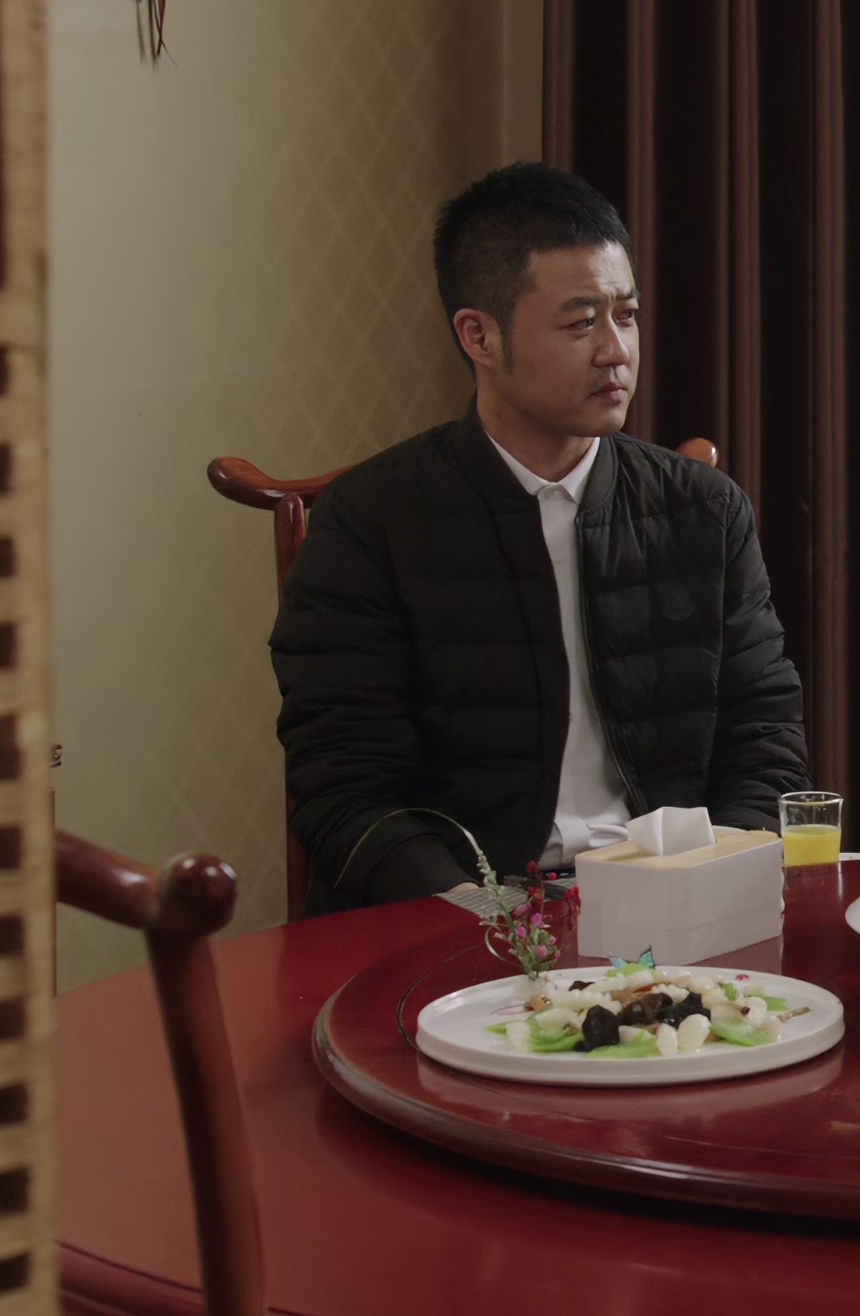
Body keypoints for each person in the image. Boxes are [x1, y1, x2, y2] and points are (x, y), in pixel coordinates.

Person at [271, 164, 808, 911]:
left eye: (627, 315)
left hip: (673, 901)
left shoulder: (703, 511)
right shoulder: (371, 521)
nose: (616, 351)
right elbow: (343, 789)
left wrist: (708, 881)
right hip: (465, 912)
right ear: (480, 336)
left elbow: (767, 740)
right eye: (581, 323)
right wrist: (485, 913)